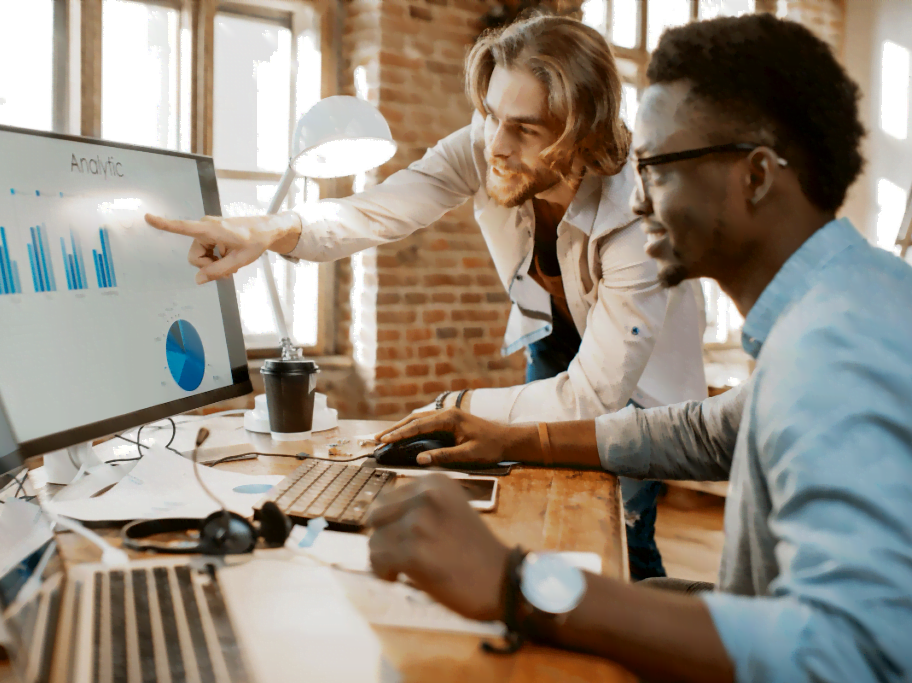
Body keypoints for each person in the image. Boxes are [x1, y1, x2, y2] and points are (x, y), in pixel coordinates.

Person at [366, 14, 912, 683]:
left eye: (654, 166)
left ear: (757, 177)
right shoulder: (846, 301)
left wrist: (515, 581)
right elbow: (714, 431)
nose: (637, 200)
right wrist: (513, 436)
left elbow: (855, 653)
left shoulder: (836, 347)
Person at [146, 14, 708, 580]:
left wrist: (452, 407)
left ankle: (635, 620)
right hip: (555, 339)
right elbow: (380, 209)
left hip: (635, 378)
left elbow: (595, 396)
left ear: (581, 130)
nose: (496, 145)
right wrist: (266, 231)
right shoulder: (486, 141)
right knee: (542, 492)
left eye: (526, 129)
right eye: (491, 115)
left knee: (620, 519)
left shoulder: (638, 209)